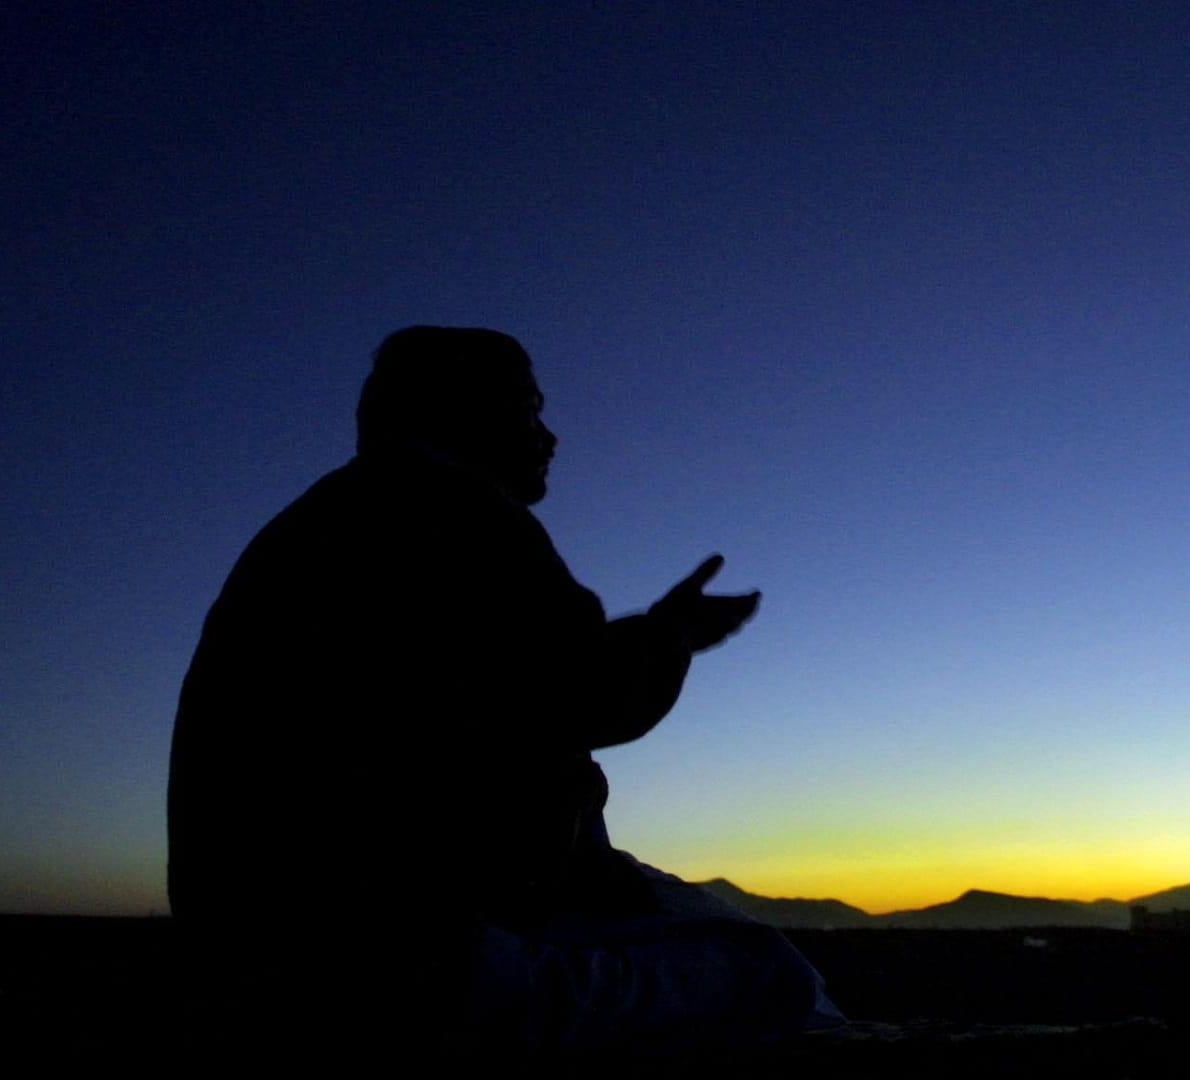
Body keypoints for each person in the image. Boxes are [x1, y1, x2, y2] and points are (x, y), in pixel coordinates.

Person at [167, 326, 836, 1062]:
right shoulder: (455, 513)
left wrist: (662, 632)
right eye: (529, 408)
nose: (549, 436)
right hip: (389, 965)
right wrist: (670, 635)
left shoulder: (331, 522)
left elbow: (502, 689)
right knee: (775, 980)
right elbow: (586, 694)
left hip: (267, 939)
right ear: (462, 411)